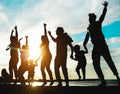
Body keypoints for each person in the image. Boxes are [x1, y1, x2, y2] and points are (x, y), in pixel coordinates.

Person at [83, 1, 120, 86]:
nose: (90, 20)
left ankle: (117, 77)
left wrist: (105, 8)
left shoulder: (97, 24)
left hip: (102, 45)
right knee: (95, 63)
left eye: (91, 18)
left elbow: (102, 17)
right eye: (89, 18)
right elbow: (87, 36)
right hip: (96, 47)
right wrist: (85, 44)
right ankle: (102, 80)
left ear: (93, 19)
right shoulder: (89, 28)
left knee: (109, 61)